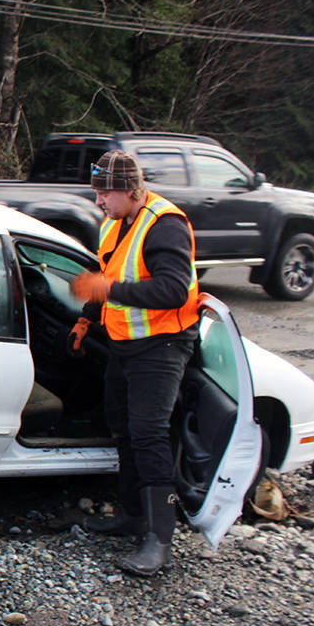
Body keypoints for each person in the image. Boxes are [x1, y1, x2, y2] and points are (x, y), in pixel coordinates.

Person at [68, 149, 200, 577]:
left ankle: (160, 538)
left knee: (148, 435)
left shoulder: (166, 226)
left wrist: (108, 290)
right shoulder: (115, 221)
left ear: (130, 190)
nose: (100, 201)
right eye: (98, 192)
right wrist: (87, 320)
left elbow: (173, 291)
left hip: (163, 347)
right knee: (122, 428)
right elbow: (107, 273)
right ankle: (132, 515)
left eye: (105, 193)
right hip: (126, 344)